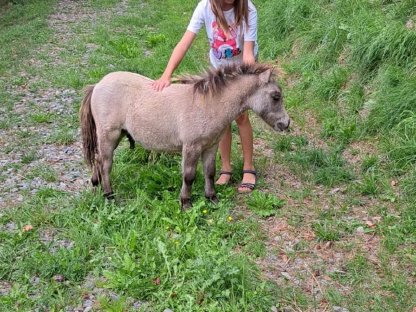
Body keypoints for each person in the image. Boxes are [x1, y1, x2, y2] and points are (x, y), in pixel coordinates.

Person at [152, 0, 258, 193]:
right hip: (219, 72)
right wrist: (167, 74)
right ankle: (226, 168)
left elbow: (248, 54)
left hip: (242, 70)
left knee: (241, 117)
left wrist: (246, 83)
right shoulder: (205, 8)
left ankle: (248, 168)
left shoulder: (248, 8)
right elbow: (184, 44)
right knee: (221, 119)